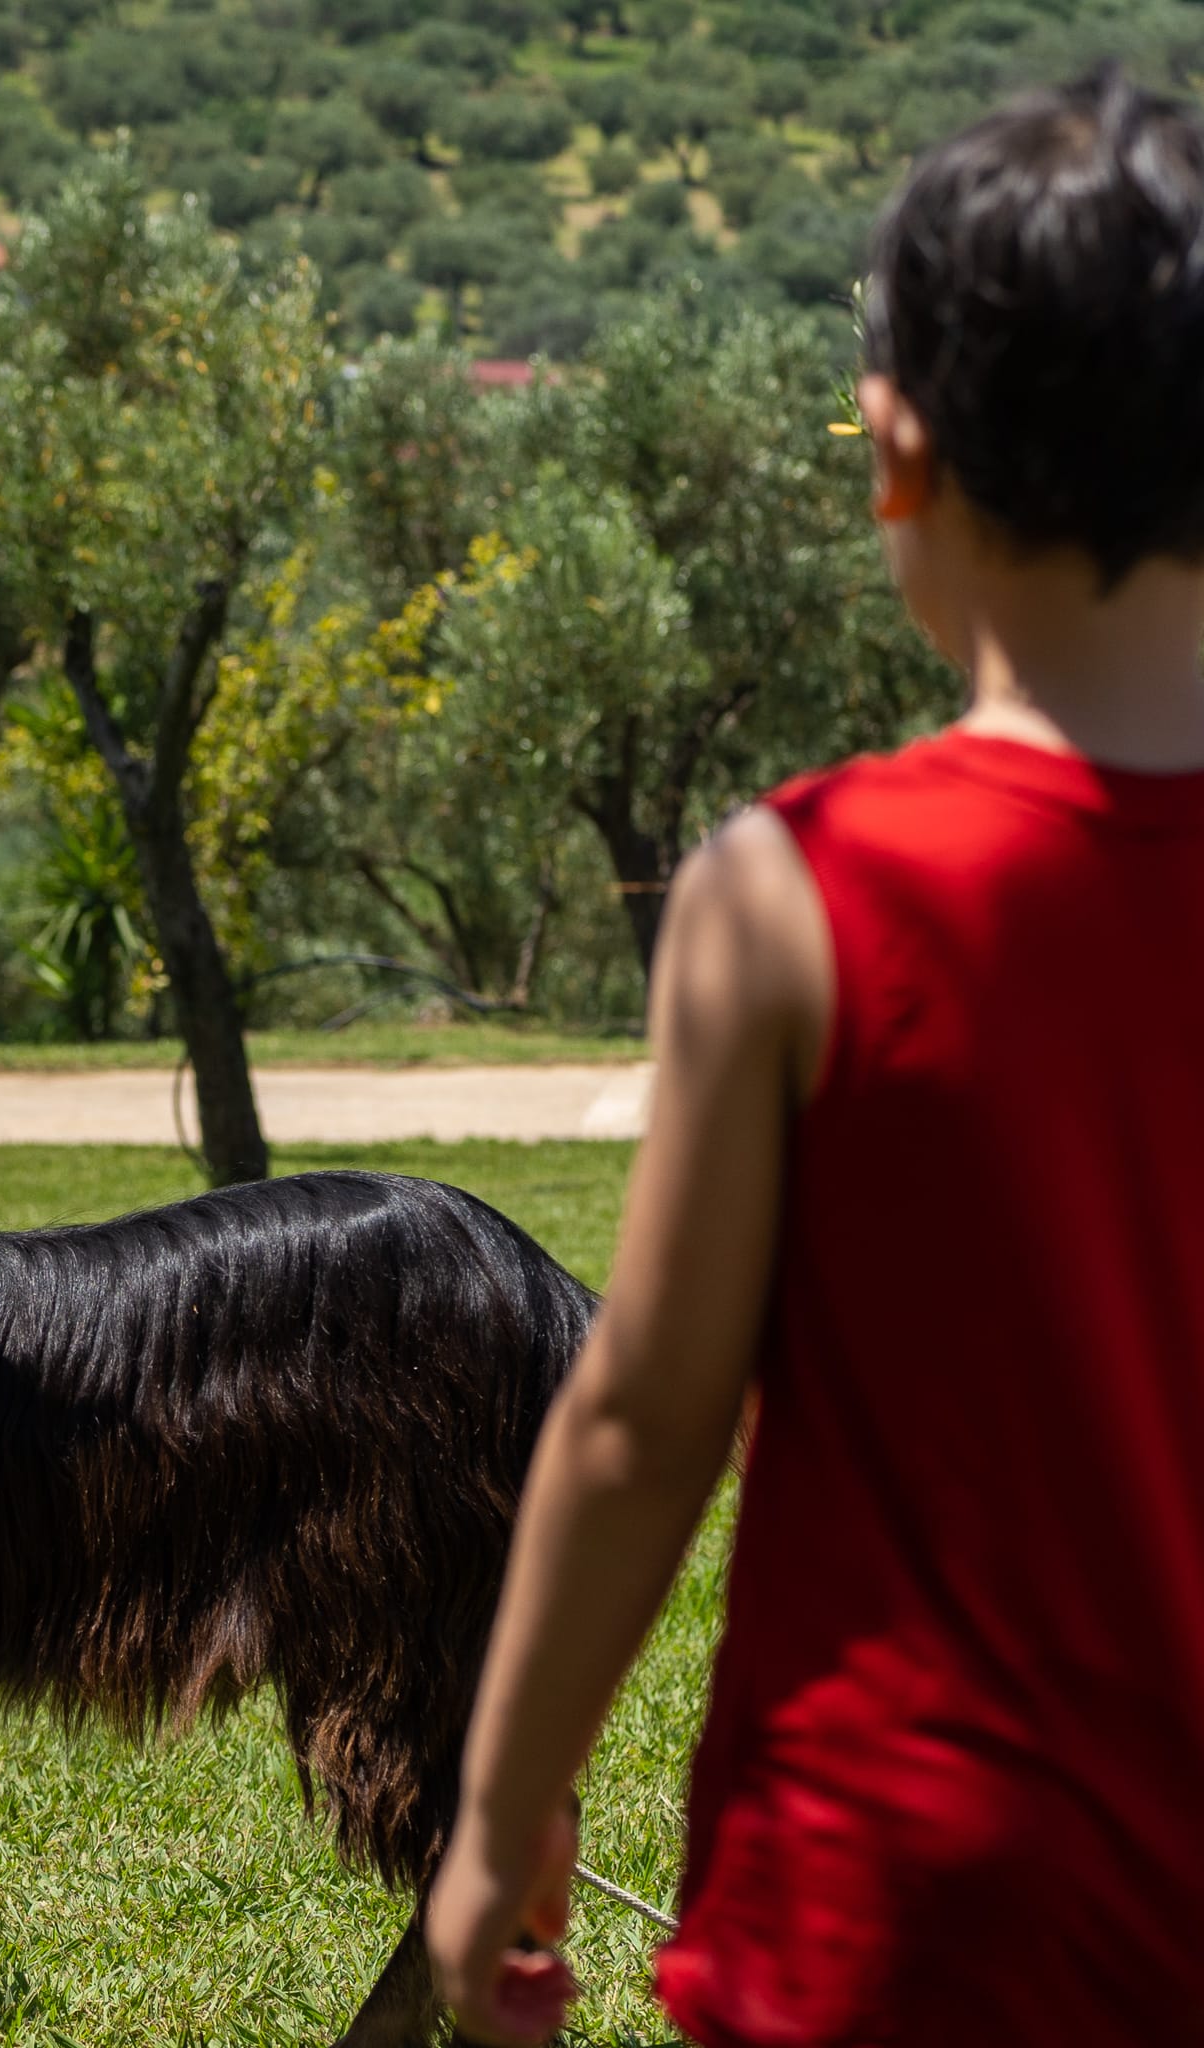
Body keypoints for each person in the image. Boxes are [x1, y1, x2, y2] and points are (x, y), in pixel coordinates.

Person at [427, 71, 1204, 2048]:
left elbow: (641, 1425)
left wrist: (503, 1811)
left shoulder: (797, 892)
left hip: (889, 1915)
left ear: (894, 449)